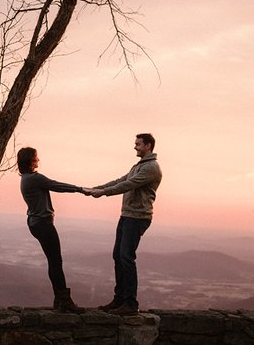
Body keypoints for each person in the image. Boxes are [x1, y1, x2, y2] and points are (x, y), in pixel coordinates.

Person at [88, 133, 162, 315]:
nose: (135, 147)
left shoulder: (151, 167)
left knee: (126, 257)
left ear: (148, 146)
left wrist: (104, 192)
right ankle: (119, 299)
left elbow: (128, 185)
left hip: (138, 217)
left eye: (138, 144)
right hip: (128, 215)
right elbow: (121, 180)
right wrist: (97, 188)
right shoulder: (139, 166)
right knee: (118, 256)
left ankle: (130, 304)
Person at [17, 146, 86, 313]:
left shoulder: (26, 178)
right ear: (30, 161)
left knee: (53, 261)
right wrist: (81, 189)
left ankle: (59, 300)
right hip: (43, 224)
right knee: (56, 262)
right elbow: (57, 185)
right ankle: (64, 301)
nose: (38, 160)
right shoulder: (34, 178)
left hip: (36, 223)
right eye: (36, 158)